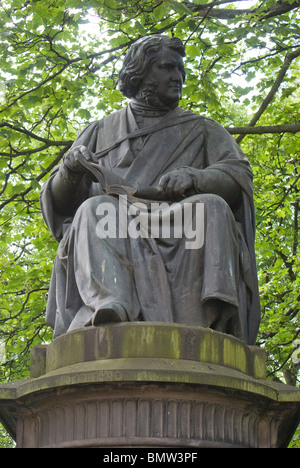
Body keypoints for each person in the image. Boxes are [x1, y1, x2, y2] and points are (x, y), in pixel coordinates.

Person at [40, 35, 260, 344]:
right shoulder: (101, 131)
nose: (178, 77)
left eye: (181, 70)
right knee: (94, 209)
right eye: (167, 68)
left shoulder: (203, 130)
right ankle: (110, 303)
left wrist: (197, 177)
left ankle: (199, 324)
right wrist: (70, 170)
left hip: (178, 222)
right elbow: (60, 204)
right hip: (114, 225)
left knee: (212, 207)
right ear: (140, 73)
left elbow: (237, 179)